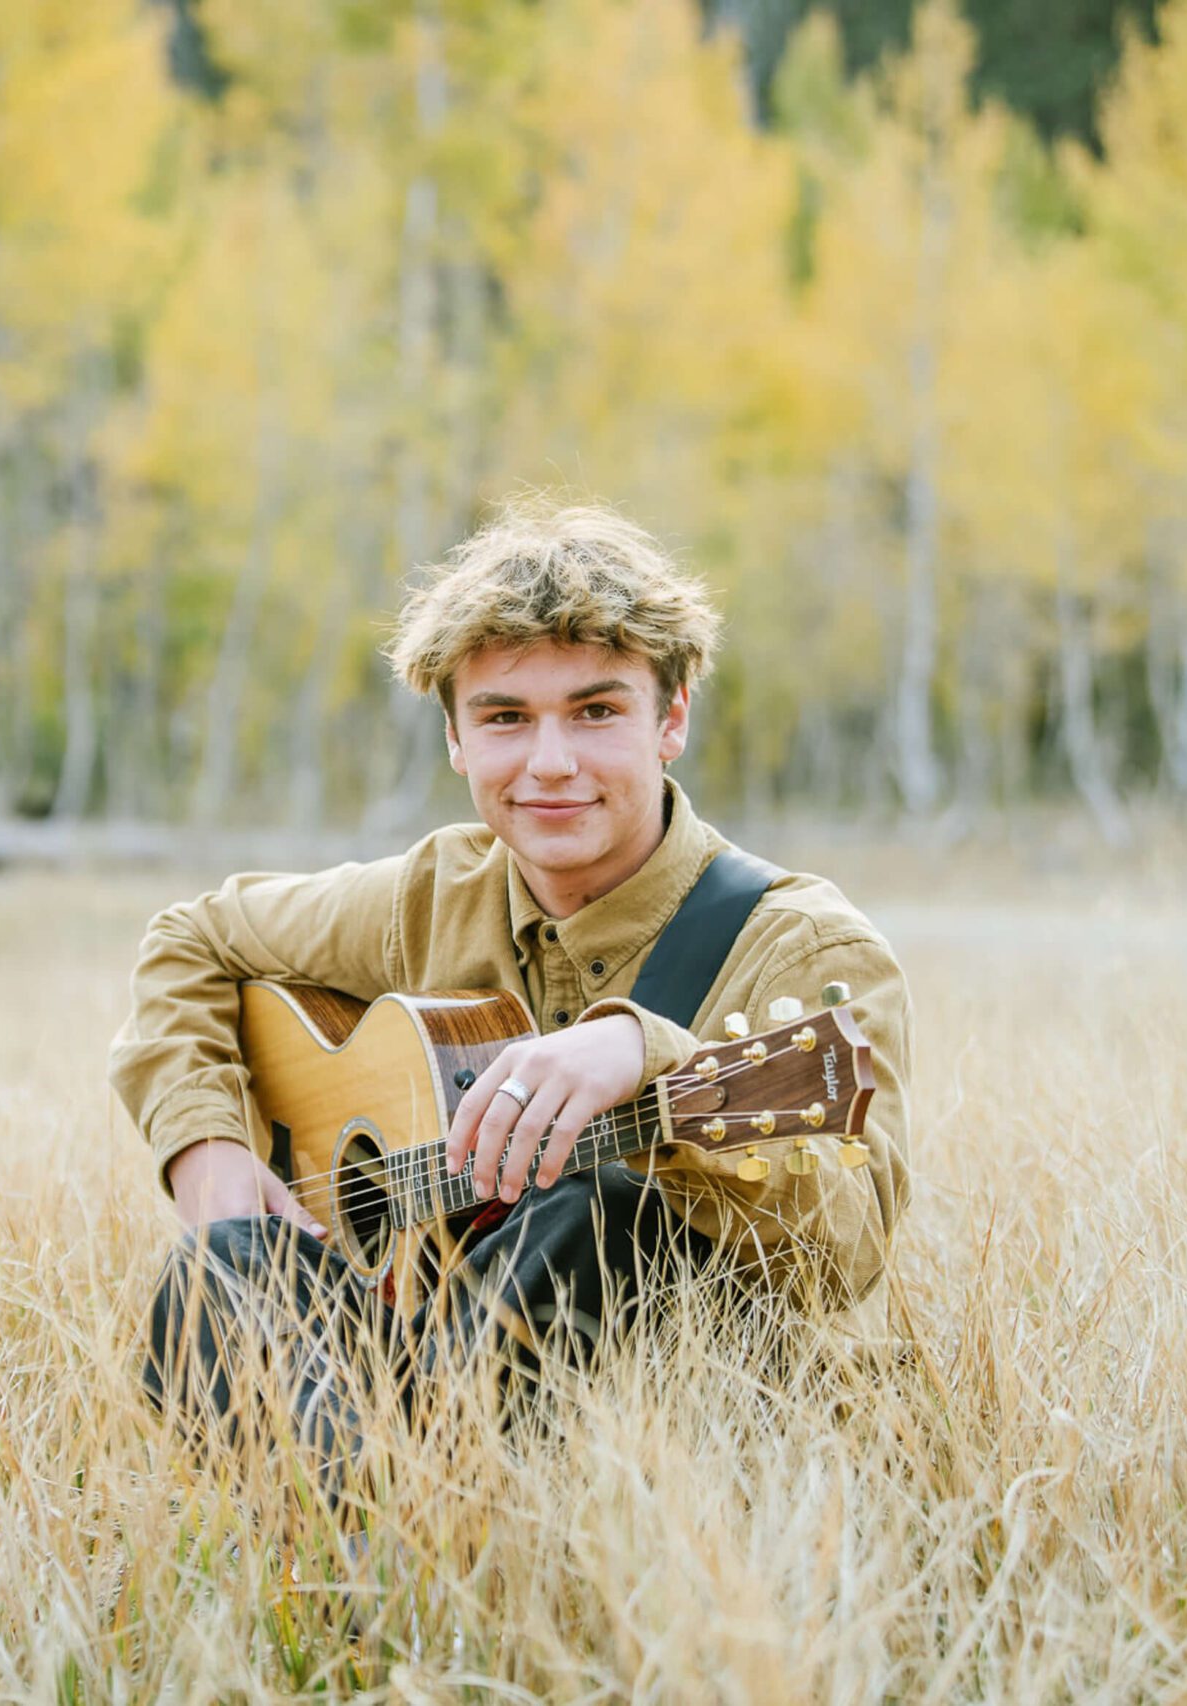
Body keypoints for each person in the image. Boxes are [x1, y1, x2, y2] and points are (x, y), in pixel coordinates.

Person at [110, 499, 912, 1473]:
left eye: (596, 710)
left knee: (600, 1213)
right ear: (455, 739)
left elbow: (849, 1245)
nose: (550, 762)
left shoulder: (796, 940)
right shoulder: (428, 894)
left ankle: (394, 1537)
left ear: (672, 716)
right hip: (433, 1377)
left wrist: (644, 1056)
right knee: (220, 1271)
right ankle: (392, 1540)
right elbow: (191, 937)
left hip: (707, 1438)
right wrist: (207, 1151)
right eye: (503, 718)